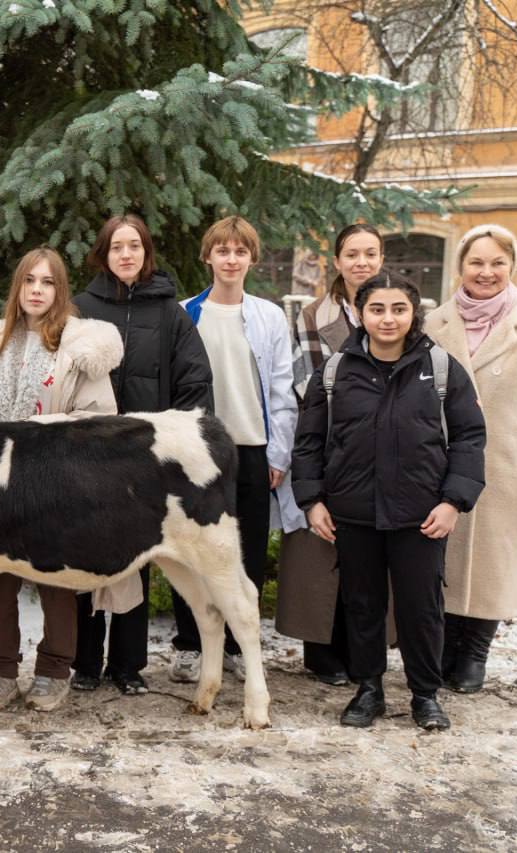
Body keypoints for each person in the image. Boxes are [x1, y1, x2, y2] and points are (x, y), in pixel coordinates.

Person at [292, 273, 486, 731]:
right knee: (362, 604)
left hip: (422, 514)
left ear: (413, 314)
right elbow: (309, 441)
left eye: (399, 309)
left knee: (421, 608)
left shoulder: (441, 368)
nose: (388, 319)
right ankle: (368, 690)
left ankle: (425, 695)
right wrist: (312, 500)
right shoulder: (335, 372)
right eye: (377, 309)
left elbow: (469, 437)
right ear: (360, 314)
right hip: (353, 511)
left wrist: (453, 502)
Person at [0, 247, 123, 713]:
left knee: (56, 580)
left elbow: (99, 421)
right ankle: (0, 670)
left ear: (60, 290)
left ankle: (54, 669)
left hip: (55, 485)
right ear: (17, 287)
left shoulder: (79, 348)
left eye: (47, 282)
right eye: (29, 281)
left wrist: (40, 431)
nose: (37, 290)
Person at [424, 224, 517, 693]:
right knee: (442, 557)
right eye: (476, 262)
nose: (486, 272)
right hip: (441, 464)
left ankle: (475, 652)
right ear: (460, 266)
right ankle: (443, 647)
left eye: (497, 262)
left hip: (508, 466)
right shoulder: (433, 325)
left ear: (513, 266)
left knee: (495, 562)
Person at [69, 213, 215, 695]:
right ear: (103, 254)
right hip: (91, 455)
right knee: (88, 554)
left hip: (148, 458)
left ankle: (127, 665)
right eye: (117, 247)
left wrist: (176, 445)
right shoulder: (81, 308)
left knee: (140, 554)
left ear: (146, 252)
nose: (126, 254)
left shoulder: (170, 313)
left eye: (134, 246)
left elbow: (195, 381)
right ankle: (85, 662)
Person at [174, 216, 299, 682]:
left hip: (251, 449)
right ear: (207, 256)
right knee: (192, 548)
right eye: (222, 250)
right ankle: (190, 644)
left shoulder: (269, 316)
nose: (231, 259)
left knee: (245, 552)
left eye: (240, 251)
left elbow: (282, 389)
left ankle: (236, 644)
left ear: (251, 258)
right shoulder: (185, 313)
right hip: (199, 450)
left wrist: (278, 454)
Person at [276, 223, 386, 685]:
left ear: (381, 258)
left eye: (370, 253)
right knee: (320, 547)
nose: (362, 262)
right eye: (352, 254)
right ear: (337, 262)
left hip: (386, 448)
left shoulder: (395, 308)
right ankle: (321, 649)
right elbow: (305, 385)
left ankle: (363, 648)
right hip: (326, 441)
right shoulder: (313, 317)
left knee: (372, 548)